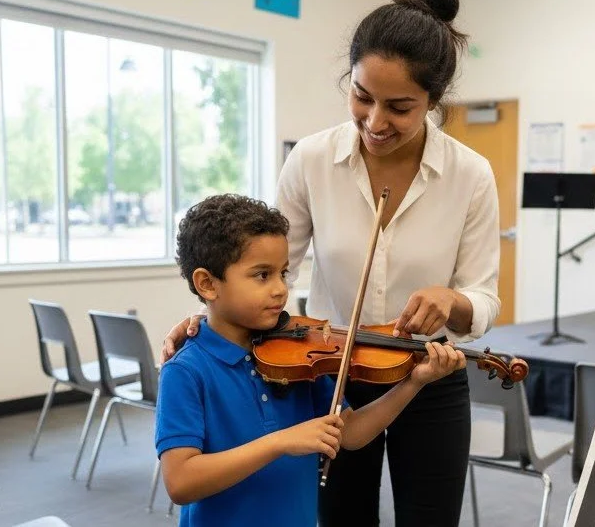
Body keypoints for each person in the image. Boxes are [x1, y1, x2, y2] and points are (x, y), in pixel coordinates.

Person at [163, 0, 501, 527]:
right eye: (362, 97)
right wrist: (208, 316)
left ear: (432, 102)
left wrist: (452, 301)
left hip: (427, 374)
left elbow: (484, 298)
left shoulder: (470, 173)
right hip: (327, 370)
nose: (374, 122)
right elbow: (265, 265)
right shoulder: (313, 159)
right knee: (340, 519)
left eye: (400, 108)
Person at [157, 194, 466, 527]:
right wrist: (280, 441)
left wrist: (414, 382)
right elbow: (181, 481)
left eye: (283, 274)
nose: (280, 290)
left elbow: (350, 433)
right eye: (262, 275)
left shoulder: (298, 358)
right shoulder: (186, 371)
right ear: (207, 283)